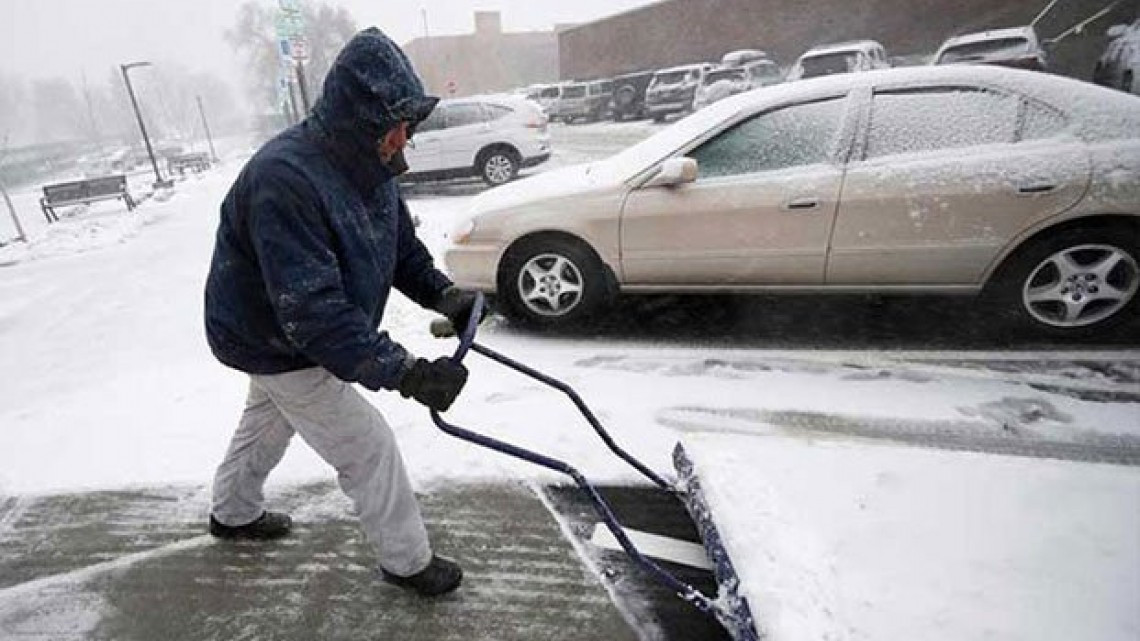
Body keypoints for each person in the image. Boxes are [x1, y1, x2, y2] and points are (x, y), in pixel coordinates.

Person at [202, 27, 481, 597]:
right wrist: (406, 373)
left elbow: (397, 246)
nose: (404, 137)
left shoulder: (371, 162)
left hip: (297, 333)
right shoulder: (286, 179)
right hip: (273, 337)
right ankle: (407, 562)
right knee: (368, 447)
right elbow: (313, 313)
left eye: (410, 123)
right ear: (360, 118)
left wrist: (441, 292)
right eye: (395, 124)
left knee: (267, 421)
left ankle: (231, 512)